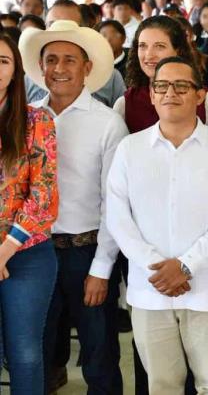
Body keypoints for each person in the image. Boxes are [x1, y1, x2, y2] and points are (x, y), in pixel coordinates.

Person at [107, 56, 208, 393]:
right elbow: (118, 217)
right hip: (150, 289)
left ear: (200, 95)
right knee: (162, 386)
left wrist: (186, 266)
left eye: (182, 86)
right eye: (162, 86)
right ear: (151, 94)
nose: (171, 93)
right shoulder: (129, 149)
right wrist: (160, 268)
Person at [19, 19, 128, 393]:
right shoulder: (27, 118)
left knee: (99, 353)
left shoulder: (107, 123)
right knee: (37, 349)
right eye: (51, 60)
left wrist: (101, 269)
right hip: (34, 252)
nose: (59, 69)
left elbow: (115, 204)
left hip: (87, 251)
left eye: (69, 60)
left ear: (87, 68)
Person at [0, 33, 59, 393]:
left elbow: (44, 193)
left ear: (15, 70)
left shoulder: (37, 120)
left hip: (27, 253)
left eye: (3, 61)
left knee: (24, 354)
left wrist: (6, 248)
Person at [114, 16, 208, 133]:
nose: (149, 55)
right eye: (142, 46)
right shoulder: (125, 105)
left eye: (160, 46)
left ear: (178, 50)